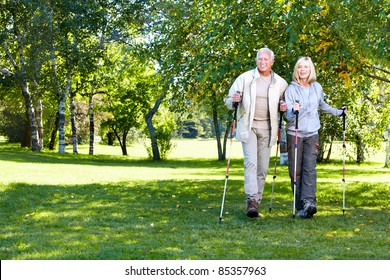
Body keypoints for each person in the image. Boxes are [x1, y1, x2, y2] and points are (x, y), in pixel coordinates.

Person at [224, 47, 288, 218]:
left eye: (266, 59)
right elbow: (229, 100)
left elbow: (285, 103)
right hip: (249, 127)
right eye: (260, 59)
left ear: (272, 62)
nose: (263, 62)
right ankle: (251, 199)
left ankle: (256, 203)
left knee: (263, 168)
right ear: (256, 60)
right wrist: (233, 101)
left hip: (268, 129)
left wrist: (284, 107)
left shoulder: (280, 83)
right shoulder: (245, 78)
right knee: (250, 163)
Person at [284, 56, 347, 218]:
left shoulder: (316, 87)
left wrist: (338, 112)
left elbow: (321, 105)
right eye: (300, 67)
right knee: (295, 171)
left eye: (305, 67)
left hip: (312, 133)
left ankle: (309, 203)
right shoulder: (291, 89)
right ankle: (300, 206)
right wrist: (293, 110)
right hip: (295, 134)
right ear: (296, 70)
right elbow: (288, 117)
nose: (302, 70)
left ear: (310, 69)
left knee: (309, 169)